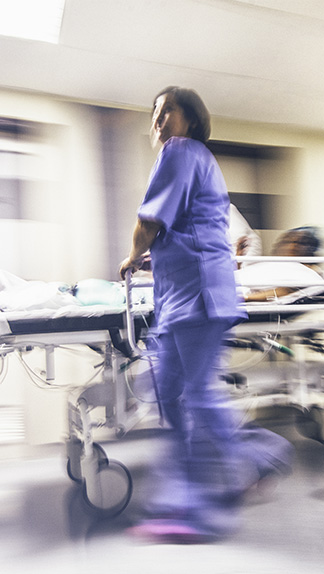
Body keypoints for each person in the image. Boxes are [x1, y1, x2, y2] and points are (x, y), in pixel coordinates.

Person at [119, 86, 292, 542]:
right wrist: (153, 260)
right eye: (154, 113)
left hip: (198, 297)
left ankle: (204, 505)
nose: (158, 120)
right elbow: (187, 232)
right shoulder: (194, 160)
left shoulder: (181, 151)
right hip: (183, 297)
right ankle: (236, 470)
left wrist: (133, 255)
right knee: (168, 393)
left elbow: (150, 222)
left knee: (193, 396)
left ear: (191, 119)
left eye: (168, 111)